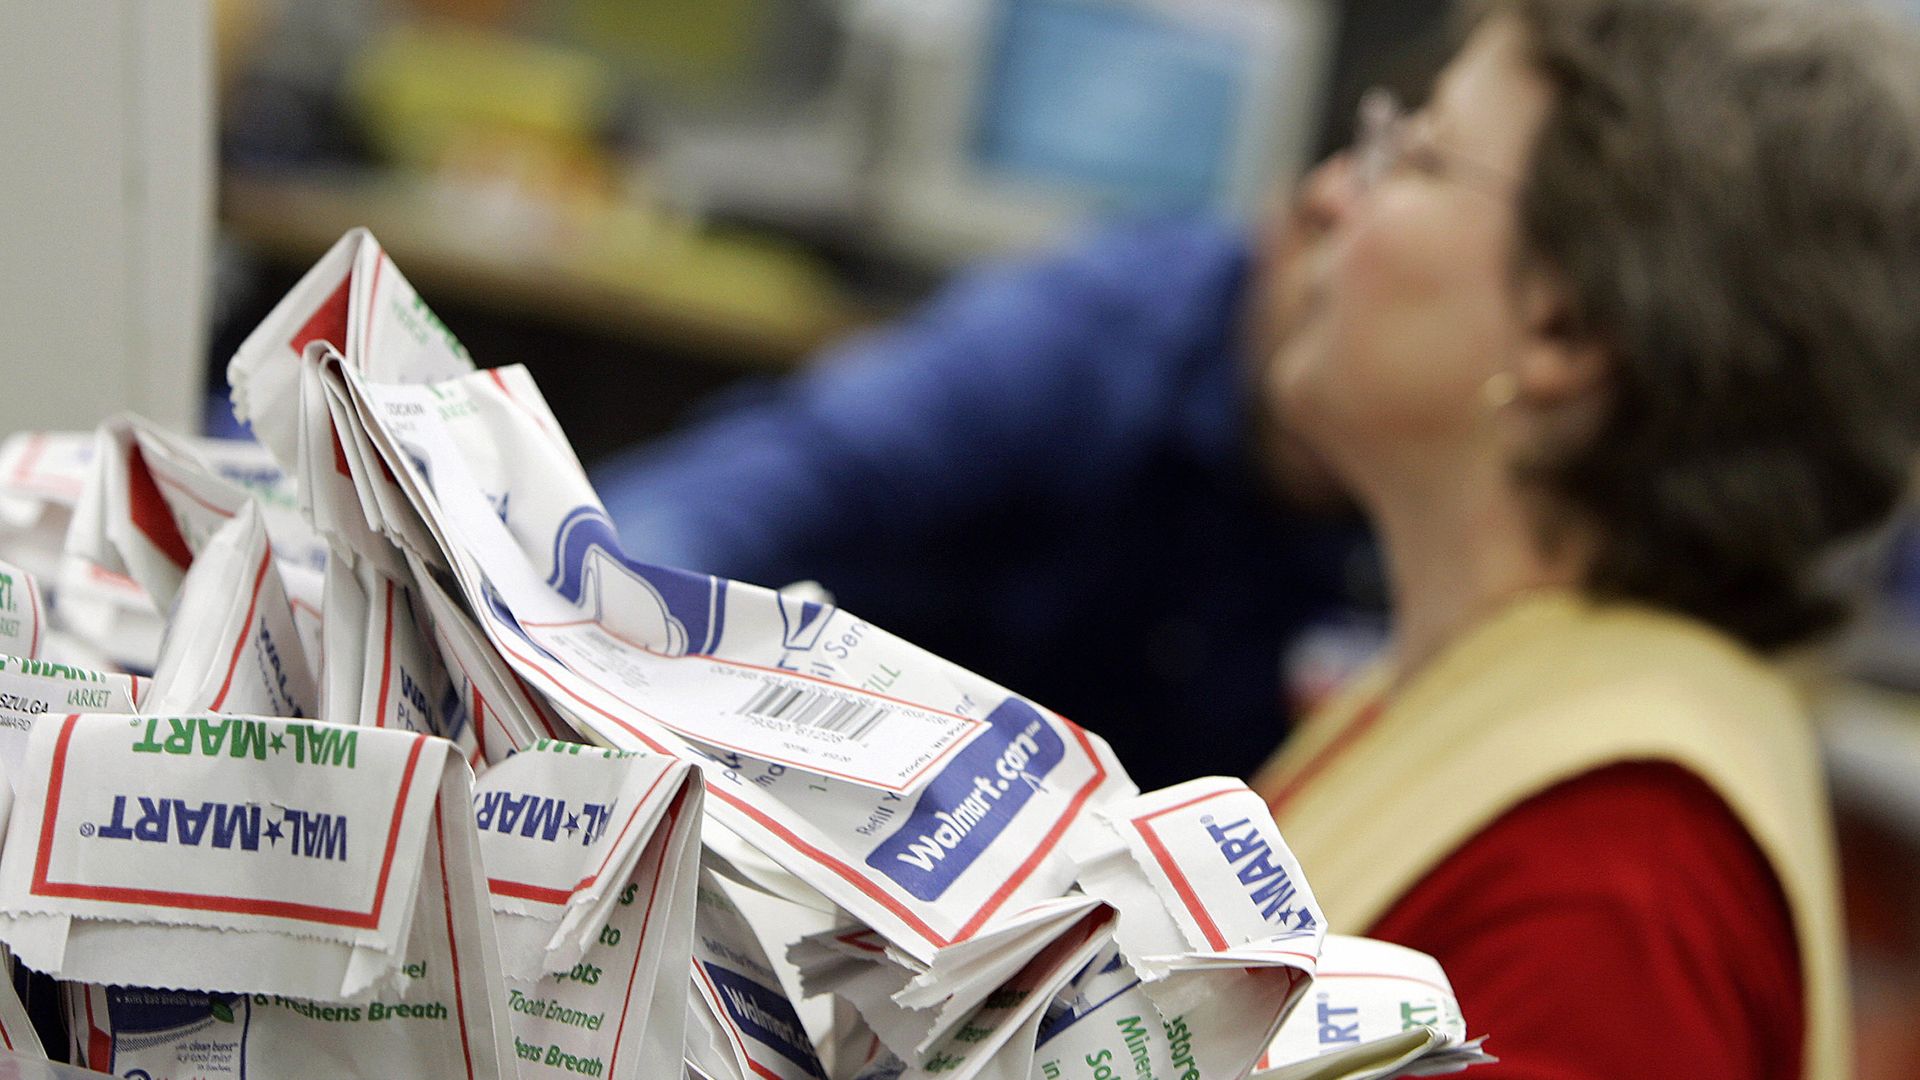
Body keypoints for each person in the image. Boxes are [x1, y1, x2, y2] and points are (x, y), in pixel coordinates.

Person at [1250, 1, 1920, 1076]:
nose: (1330, 193)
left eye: (1414, 156)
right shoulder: (1483, 698)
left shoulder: (1616, 886)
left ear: (1565, 328)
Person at [591, 210, 1377, 791]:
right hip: (868, 830)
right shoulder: (1091, 342)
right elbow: (748, 485)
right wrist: (601, 651)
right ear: (1305, 218)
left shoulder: (1416, 530)